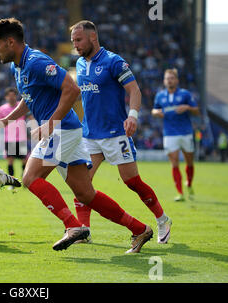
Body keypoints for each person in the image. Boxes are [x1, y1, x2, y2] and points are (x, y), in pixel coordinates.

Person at [0, 18, 153, 253]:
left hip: (62, 129)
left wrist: (51, 124)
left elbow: (72, 89)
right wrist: (5, 120)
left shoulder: (36, 62)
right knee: (86, 194)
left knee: (30, 178)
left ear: (11, 42)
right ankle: (139, 229)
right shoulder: (18, 66)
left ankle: (72, 226)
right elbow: (29, 98)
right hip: (67, 130)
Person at [70, 20, 172, 244]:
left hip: (116, 133)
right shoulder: (78, 64)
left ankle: (162, 218)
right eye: (73, 41)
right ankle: (83, 230)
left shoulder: (113, 61)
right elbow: (83, 94)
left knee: (132, 181)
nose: (75, 45)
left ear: (93, 38)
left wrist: (132, 116)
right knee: (82, 185)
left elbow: (134, 90)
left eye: (79, 40)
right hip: (89, 135)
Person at [152, 68, 200, 201]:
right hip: (169, 134)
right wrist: (156, 113)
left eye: (172, 78)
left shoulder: (185, 94)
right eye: (167, 78)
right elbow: (154, 110)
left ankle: (189, 184)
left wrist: (188, 108)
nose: (169, 80)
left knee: (189, 162)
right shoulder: (160, 95)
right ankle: (180, 193)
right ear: (164, 81)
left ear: (177, 80)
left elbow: (197, 111)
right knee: (174, 163)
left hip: (186, 133)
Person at [0, 87, 28, 182]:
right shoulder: (2, 109)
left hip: (21, 138)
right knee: (10, 160)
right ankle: (12, 181)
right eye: (9, 96)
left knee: (24, 160)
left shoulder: (21, 106)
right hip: (9, 139)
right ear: (6, 97)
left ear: (16, 96)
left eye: (13, 95)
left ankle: (24, 179)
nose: (11, 97)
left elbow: (30, 117)